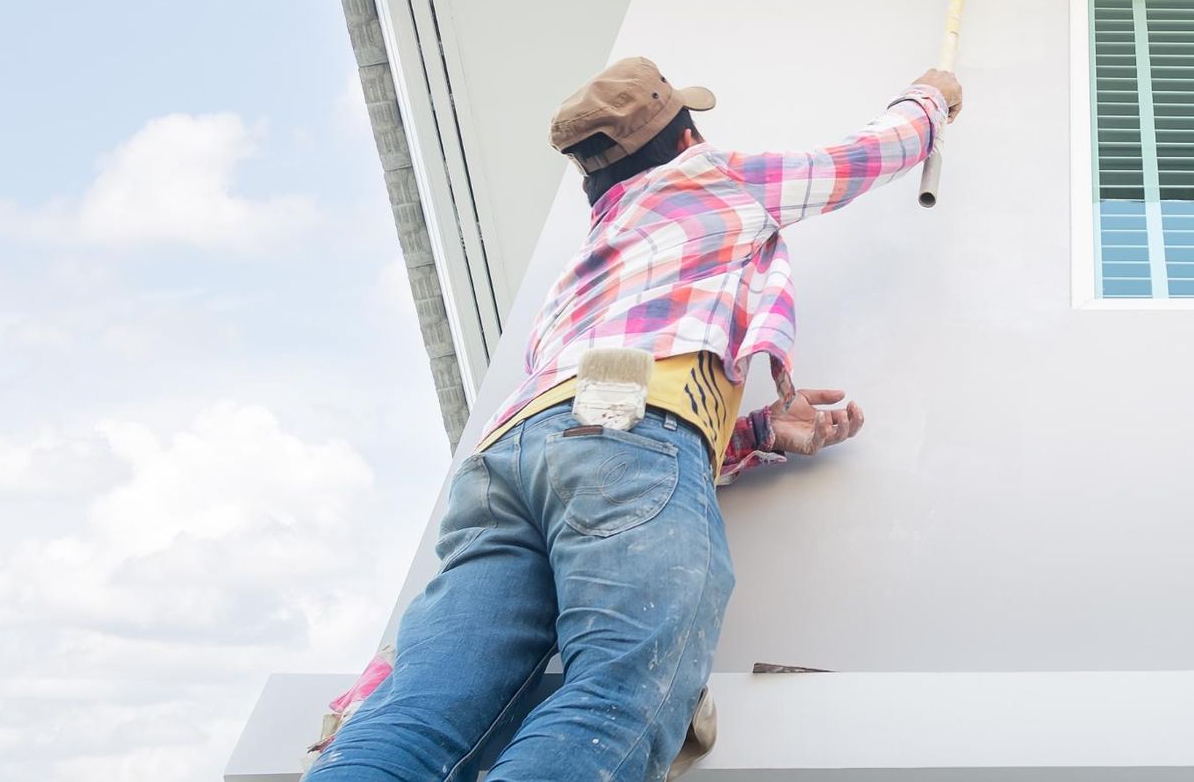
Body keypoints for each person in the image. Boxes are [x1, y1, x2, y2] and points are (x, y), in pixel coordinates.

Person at [305, 57, 961, 781]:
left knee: (422, 712)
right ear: (687, 141)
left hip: (506, 465)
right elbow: (864, 157)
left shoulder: (586, 262)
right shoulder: (710, 179)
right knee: (620, 696)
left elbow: (592, 425)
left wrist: (759, 433)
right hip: (623, 434)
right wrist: (931, 98)